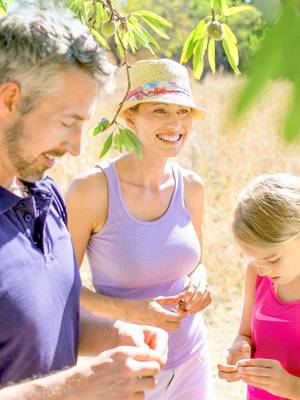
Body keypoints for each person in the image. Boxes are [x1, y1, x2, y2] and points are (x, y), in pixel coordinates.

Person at [0, 6, 169, 399]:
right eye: (66, 122)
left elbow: (36, 321)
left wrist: (112, 335)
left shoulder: (46, 195)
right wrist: (76, 387)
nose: (77, 148)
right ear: (10, 99)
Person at [66, 58, 214, 400]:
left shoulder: (192, 187)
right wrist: (131, 312)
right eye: (159, 111)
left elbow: (198, 264)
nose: (175, 123)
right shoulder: (91, 190)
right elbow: (62, 289)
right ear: (129, 116)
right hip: (125, 372)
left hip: (192, 360)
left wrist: (200, 284)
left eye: (183, 111)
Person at [218, 173, 300, 400]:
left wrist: (293, 387)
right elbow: (246, 334)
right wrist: (239, 348)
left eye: (272, 259)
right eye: (255, 259)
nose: (263, 269)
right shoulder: (257, 276)